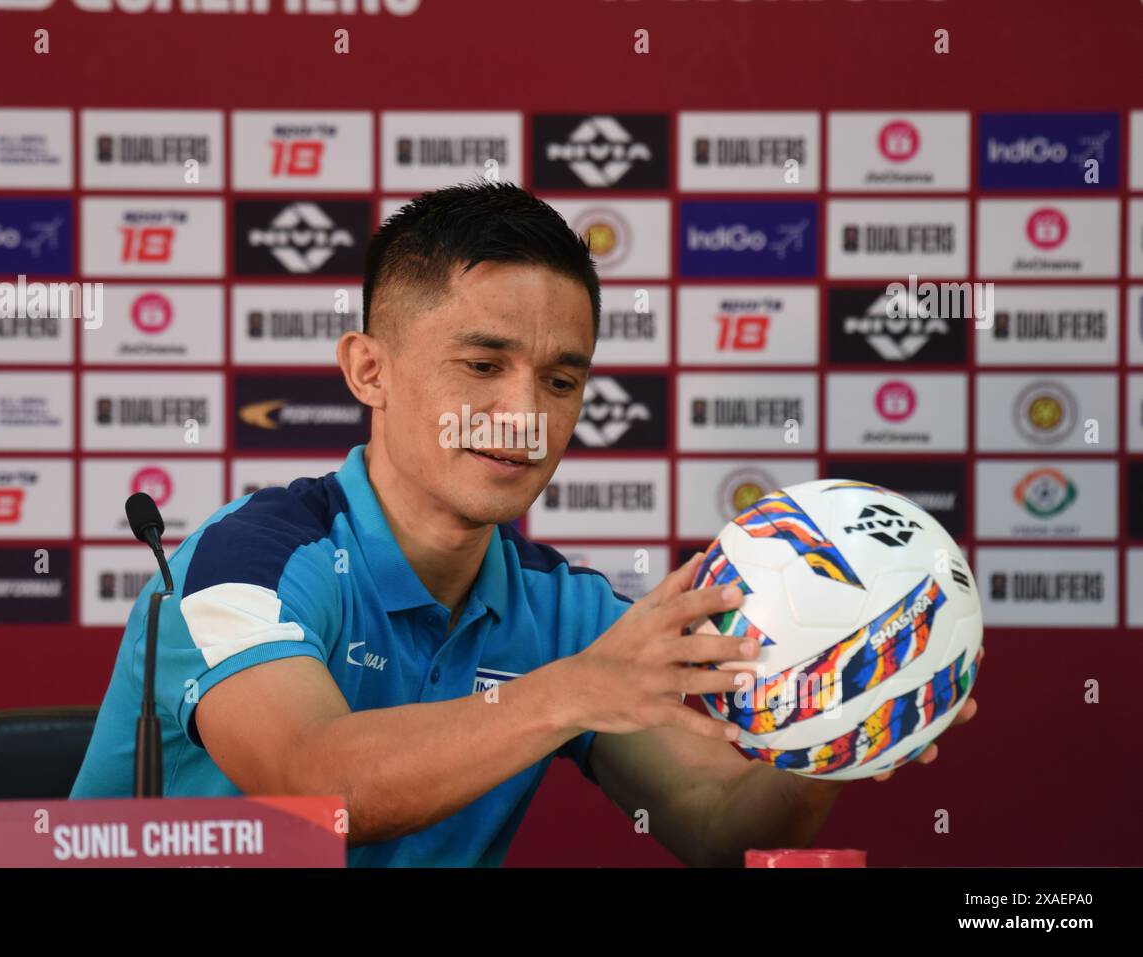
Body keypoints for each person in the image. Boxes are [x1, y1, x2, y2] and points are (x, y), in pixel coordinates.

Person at [70, 180, 979, 866]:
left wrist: (835, 724)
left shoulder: (563, 612)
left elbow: (713, 827)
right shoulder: (249, 558)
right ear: (368, 370)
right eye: (482, 364)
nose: (526, 415)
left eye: (560, 380)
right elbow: (314, 780)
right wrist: (570, 691)